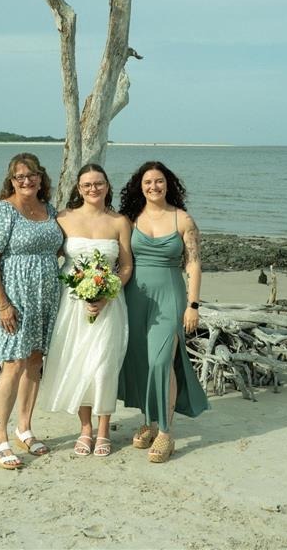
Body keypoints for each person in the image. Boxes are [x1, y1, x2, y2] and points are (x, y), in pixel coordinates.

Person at [0, 152, 63, 470]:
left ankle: (24, 427)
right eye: (20, 176)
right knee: (12, 364)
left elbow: (63, 248)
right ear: (11, 181)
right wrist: (3, 304)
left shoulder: (50, 210)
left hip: (45, 298)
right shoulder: (2, 210)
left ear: (41, 177)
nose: (27, 180)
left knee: (35, 361)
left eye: (32, 175)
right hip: (13, 298)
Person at [118, 160, 209, 463]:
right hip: (135, 297)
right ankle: (149, 420)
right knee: (143, 361)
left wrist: (193, 305)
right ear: (140, 186)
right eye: (147, 182)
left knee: (161, 361)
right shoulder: (130, 219)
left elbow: (193, 263)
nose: (153, 186)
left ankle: (166, 432)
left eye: (159, 181)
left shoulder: (183, 220)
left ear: (168, 184)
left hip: (170, 296)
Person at [39, 164, 132, 458]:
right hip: (72, 303)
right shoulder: (63, 218)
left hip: (110, 303)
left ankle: (103, 430)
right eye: (87, 185)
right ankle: (85, 428)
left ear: (107, 185)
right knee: (78, 362)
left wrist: (108, 293)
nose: (94, 189)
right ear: (79, 188)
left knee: (103, 365)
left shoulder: (120, 221)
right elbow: (49, 255)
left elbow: (126, 266)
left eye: (99, 183)